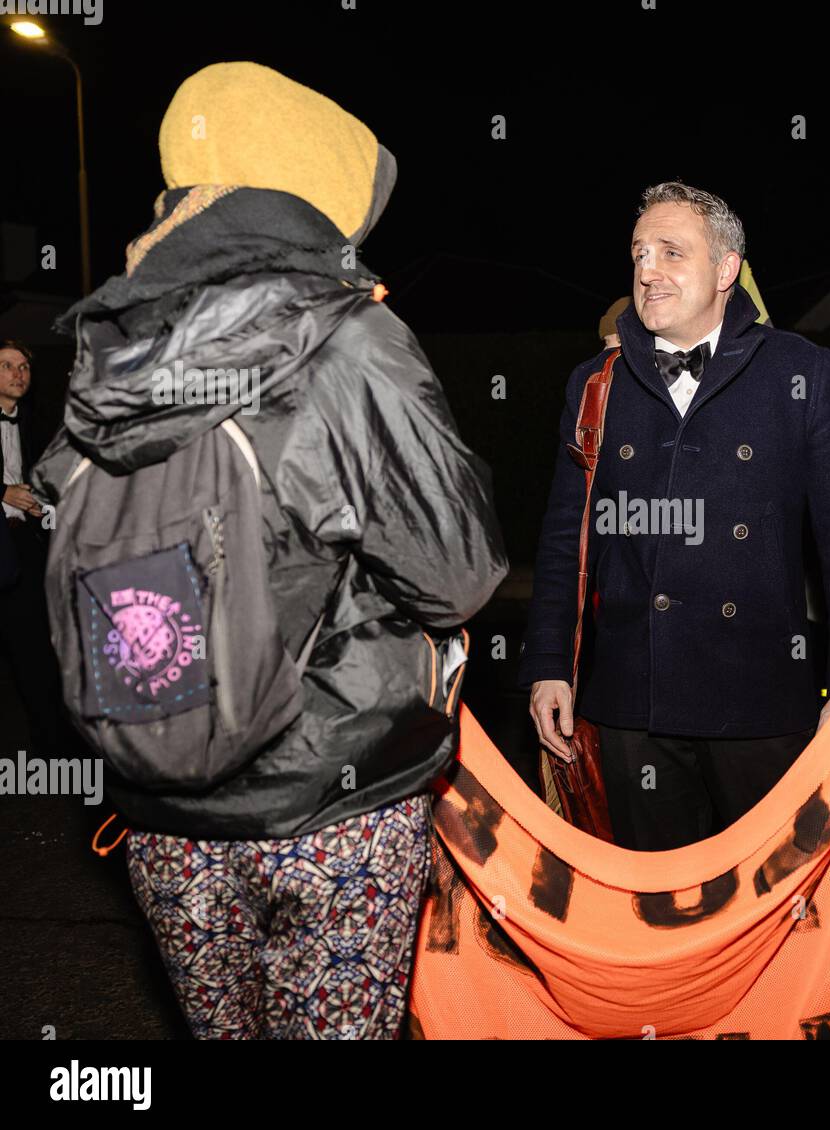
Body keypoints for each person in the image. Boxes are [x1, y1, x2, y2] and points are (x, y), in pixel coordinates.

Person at [32, 62, 508, 1040]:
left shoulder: (109, 341)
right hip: (334, 804)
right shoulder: (352, 335)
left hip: (163, 806)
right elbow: (456, 575)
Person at [521, 181, 830, 851]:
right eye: (638, 253)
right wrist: (550, 664)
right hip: (634, 703)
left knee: (779, 905)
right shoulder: (597, 383)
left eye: (670, 253)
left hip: (760, 702)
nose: (647, 271)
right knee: (655, 917)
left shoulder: (799, 372)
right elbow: (562, 542)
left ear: (725, 270)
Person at [0, 340, 66, 756]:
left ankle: (50, 743)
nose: (19, 374)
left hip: (22, 542)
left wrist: (44, 509)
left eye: (24, 366)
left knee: (37, 646)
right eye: (7, 366)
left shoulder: (32, 422)